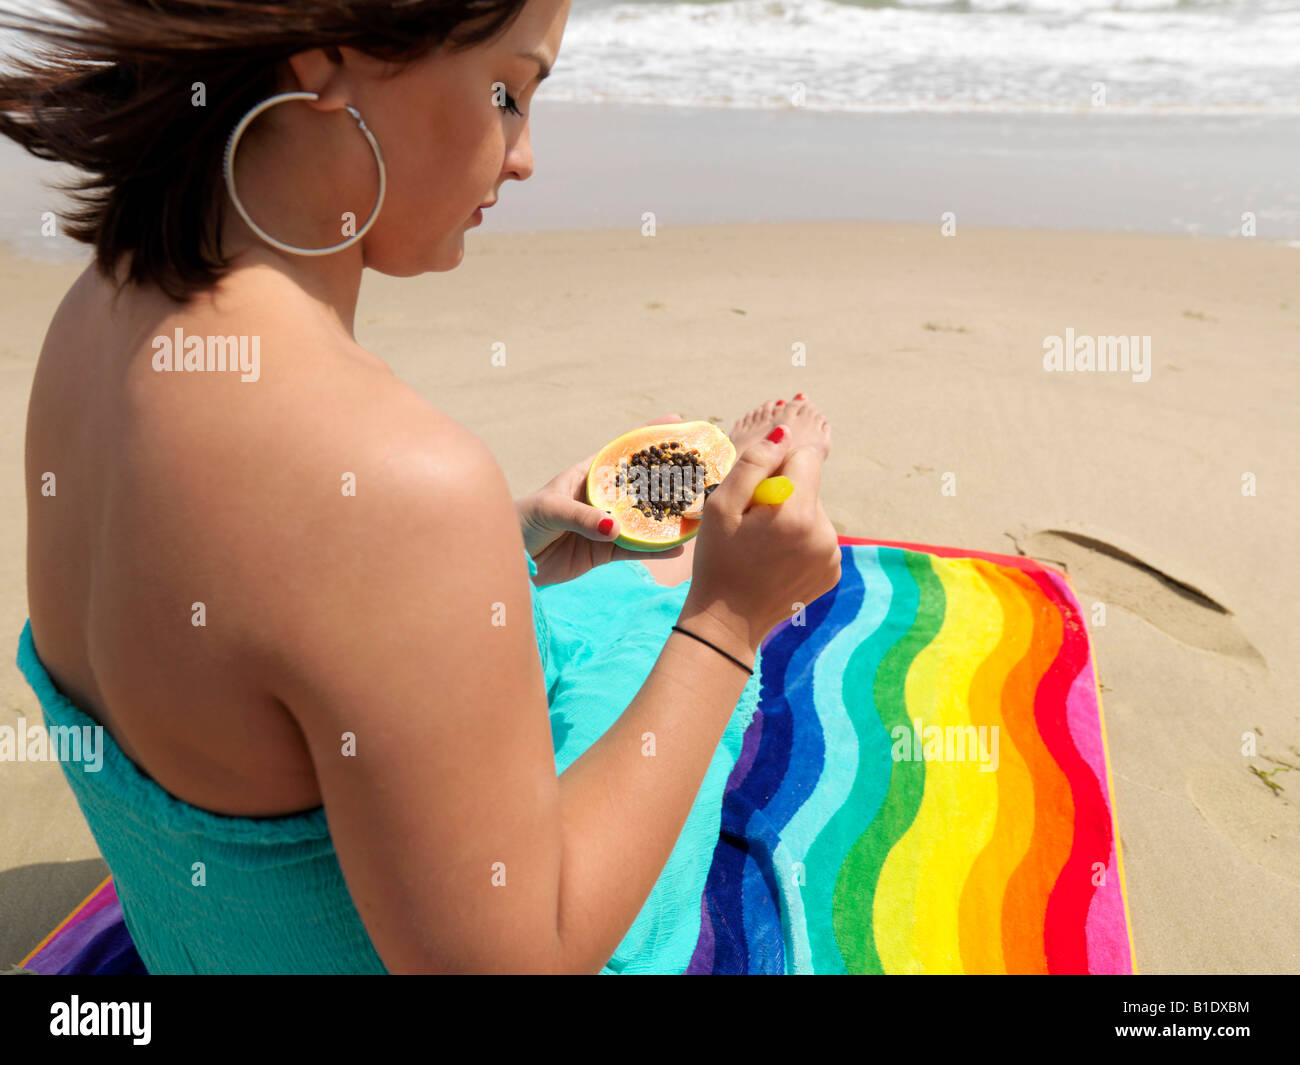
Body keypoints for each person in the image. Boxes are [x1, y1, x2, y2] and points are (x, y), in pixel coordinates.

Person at [3, 0, 840, 973]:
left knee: (592, 579)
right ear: (324, 65)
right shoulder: (400, 486)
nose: (524, 156)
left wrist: (497, 537)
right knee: (680, 587)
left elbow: (244, 617)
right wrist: (729, 623)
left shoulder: (96, 314)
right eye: (509, 91)